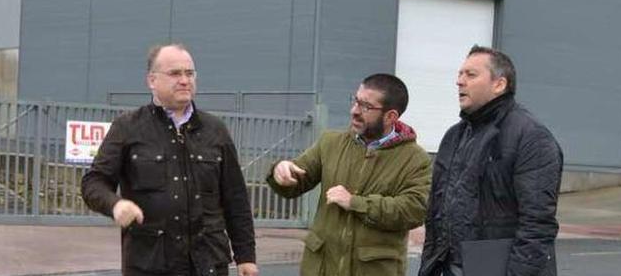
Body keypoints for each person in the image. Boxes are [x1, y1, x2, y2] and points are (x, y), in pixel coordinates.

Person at [81, 43, 258, 276]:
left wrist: (246, 257)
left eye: (189, 73)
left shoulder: (215, 131)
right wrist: (115, 204)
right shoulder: (128, 128)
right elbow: (93, 183)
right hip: (150, 264)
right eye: (175, 73)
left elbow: (236, 199)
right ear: (152, 80)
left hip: (207, 264)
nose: (184, 80)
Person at [418, 46, 564, 276]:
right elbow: (436, 215)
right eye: (459, 74)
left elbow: (537, 226)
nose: (459, 81)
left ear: (499, 84)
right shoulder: (454, 137)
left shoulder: (531, 137)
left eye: (471, 75)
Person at [267, 73, 431, 276]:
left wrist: (355, 203)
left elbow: (413, 210)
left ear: (391, 117)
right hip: (321, 269)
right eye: (355, 101)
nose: (354, 111)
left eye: (366, 107)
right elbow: (297, 178)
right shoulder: (330, 143)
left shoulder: (415, 158)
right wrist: (280, 171)